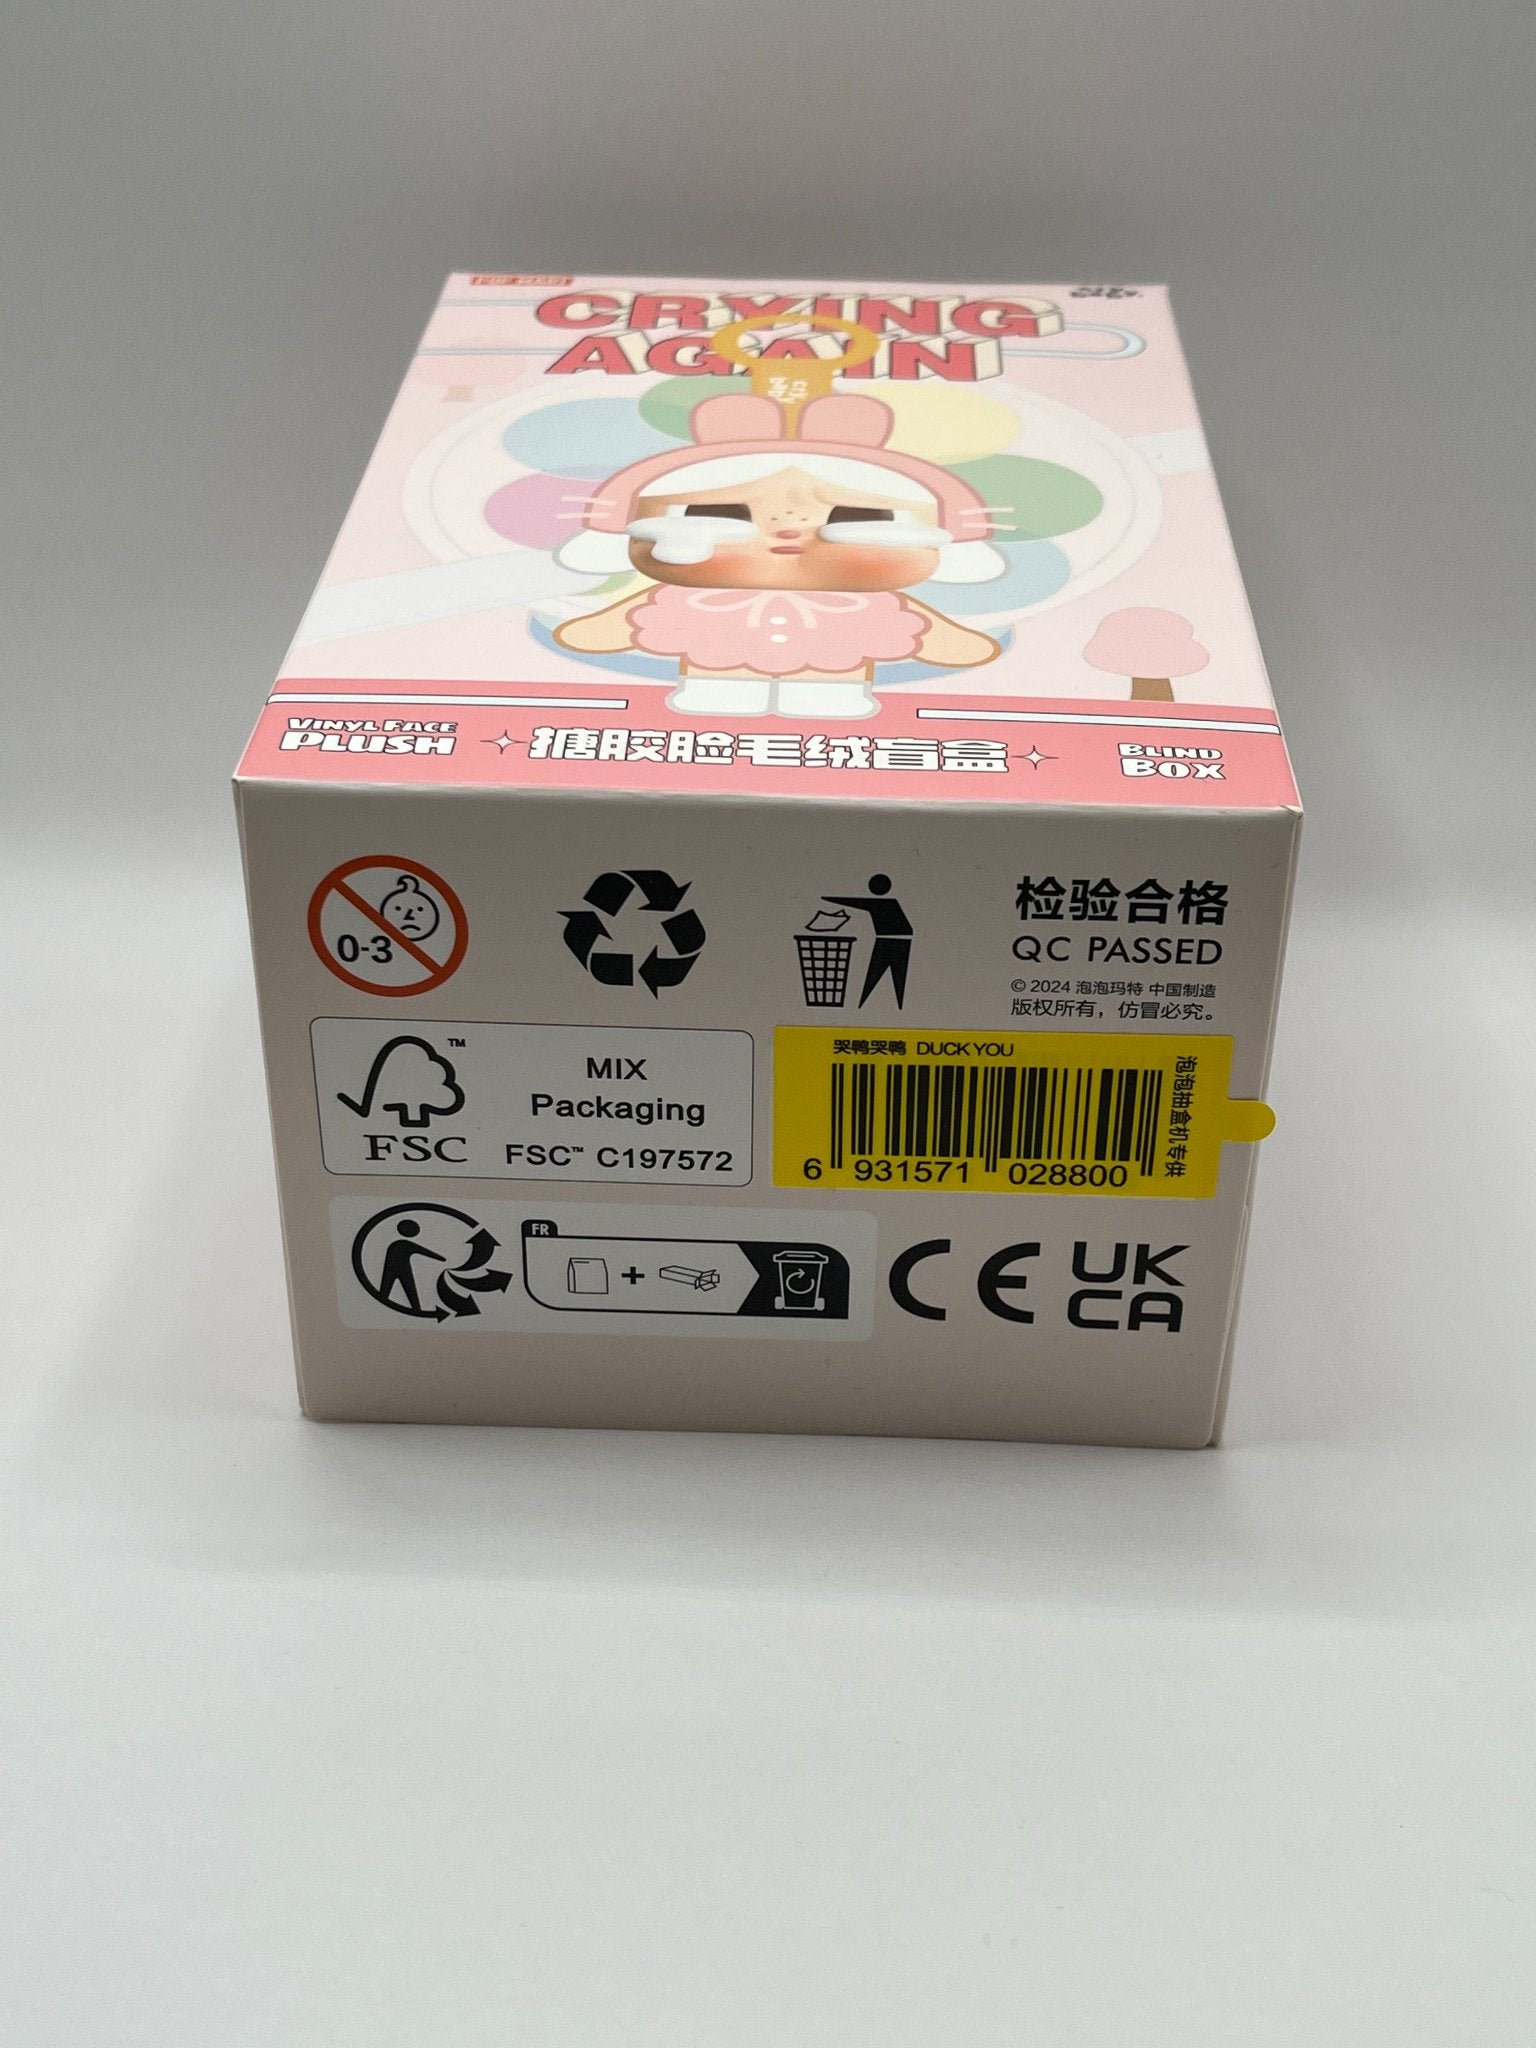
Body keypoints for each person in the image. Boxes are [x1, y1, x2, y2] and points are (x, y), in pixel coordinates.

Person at [554, 389, 1004, 718]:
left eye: (851, 515)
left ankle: (833, 699)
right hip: (708, 673)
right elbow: (621, 622)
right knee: (716, 691)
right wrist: (596, 631)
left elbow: (931, 632)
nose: (790, 528)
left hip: (839, 672)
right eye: (724, 511)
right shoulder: (683, 598)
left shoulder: (875, 605)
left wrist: (956, 645)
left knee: (831, 690)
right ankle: (714, 696)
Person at [822, 875, 912, 1008]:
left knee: (885, 978)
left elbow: (858, 902)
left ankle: (868, 1004)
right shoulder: (889, 904)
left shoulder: (885, 904)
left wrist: (827, 898)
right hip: (894, 940)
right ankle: (866, 1004)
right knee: (885, 978)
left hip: (892, 941)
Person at [377, 1217, 445, 1313]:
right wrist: (441, 1258)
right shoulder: (403, 1244)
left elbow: (423, 1251)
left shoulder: (396, 1244)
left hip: (393, 1269)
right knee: (409, 1289)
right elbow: (424, 1251)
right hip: (402, 1270)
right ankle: (416, 1308)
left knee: (386, 1290)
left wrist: (441, 1258)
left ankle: (415, 1308)